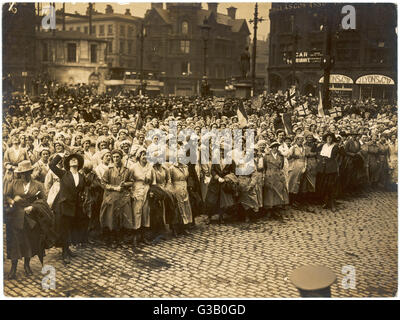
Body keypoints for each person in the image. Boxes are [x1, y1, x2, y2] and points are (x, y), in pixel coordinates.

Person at [4, 160, 54, 279]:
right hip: (15, 217)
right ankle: (13, 268)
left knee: (29, 242)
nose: (24, 175)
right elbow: (6, 195)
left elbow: (43, 201)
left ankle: (27, 265)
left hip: (31, 218)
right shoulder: (14, 183)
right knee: (15, 243)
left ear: (30, 172)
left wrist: (33, 207)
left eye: (26, 172)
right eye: (21, 173)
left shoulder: (37, 185)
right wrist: (12, 201)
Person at [49, 152, 85, 265]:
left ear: (79, 163)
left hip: (74, 207)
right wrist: (59, 155)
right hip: (62, 206)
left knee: (70, 228)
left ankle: (67, 248)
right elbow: (51, 165)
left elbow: (81, 191)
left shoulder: (81, 177)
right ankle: (64, 252)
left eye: (76, 159)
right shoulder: (63, 174)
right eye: (71, 160)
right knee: (64, 229)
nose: (74, 160)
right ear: (68, 163)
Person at [99, 149, 134, 248]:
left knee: (124, 219)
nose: (115, 159)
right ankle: (113, 240)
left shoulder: (127, 170)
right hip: (112, 197)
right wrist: (115, 187)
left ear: (121, 157)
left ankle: (122, 240)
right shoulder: (109, 170)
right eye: (113, 157)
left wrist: (125, 184)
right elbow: (103, 184)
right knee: (112, 219)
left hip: (124, 197)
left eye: (117, 157)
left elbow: (132, 181)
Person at [316, 133, 339, 211]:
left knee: (331, 185)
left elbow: (333, 155)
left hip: (331, 167)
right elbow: (315, 151)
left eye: (331, 138)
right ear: (325, 139)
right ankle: (326, 201)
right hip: (323, 167)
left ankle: (332, 203)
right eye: (328, 138)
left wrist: (325, 157)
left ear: (333, 139)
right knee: (324, 185)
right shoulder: (323, 145)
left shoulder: (335, 146)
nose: (329, 139)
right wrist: (320, 157)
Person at [263, 141, 289, 212]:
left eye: (277, 147)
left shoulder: (281, 156)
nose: (275, 148)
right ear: (271, 148)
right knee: (270, 191)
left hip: (278, 175)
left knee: (279, 190)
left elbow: (282, 166)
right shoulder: (266, 156)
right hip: (270, 175)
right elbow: (265, 166)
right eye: (274, 147)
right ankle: (269, 208)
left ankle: (277, 207)